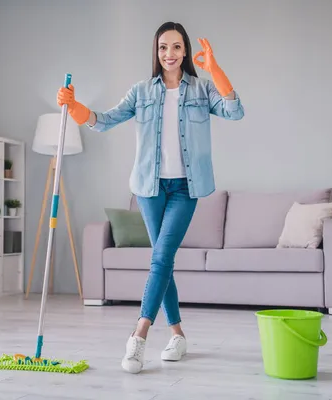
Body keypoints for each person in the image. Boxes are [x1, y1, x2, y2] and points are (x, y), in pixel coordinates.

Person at [56, 21, 244, 374]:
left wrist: (215, 70)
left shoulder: (202, 90)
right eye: (162, 48)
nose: (169, 54)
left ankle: (138, 337)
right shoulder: (141, 92)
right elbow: (102, 121)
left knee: (160, 259)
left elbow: (235, 110)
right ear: (156, 53)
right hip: (149, 189)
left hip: (185, 189)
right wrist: (74, 105)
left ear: (185, 51)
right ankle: (177, 335)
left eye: (175, 47)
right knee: (163, 261)